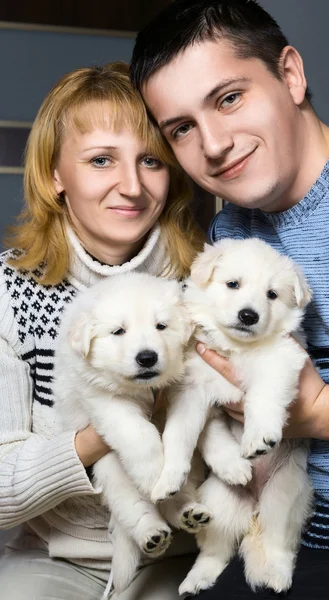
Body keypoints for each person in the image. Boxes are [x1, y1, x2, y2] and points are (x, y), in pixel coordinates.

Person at [130, 1, 329, 598]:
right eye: (182, 129)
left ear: (292, 75)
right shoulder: (231, 236)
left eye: (229, 98)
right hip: (274, 527)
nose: (215, 144)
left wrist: (321, 408)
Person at [0, 61, 204, 600]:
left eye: (151, 161)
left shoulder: (208, 285)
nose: (132, 186)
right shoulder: (9, 290)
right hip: (53, 556)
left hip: (190, 552)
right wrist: (101, 434)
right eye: (100, 160)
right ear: (54, 176)